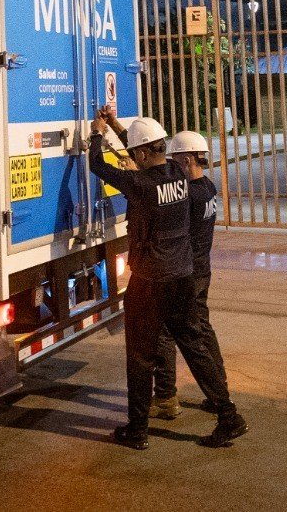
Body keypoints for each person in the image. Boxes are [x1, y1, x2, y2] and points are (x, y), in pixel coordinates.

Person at [90, 106, 246, 450]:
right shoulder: (178, 172)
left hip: (150, 280)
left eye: (137, 153)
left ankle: (138, 429)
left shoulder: (139, 183)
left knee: (140, 355)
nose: (135, 158)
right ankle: (228, 415)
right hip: (183, 275)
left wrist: (96, 133)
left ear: (144, 153)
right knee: (192, 344)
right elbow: (146, 152)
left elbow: (97, 165)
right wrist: (118, 127)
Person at [149, 131, 225, 420]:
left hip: (188, 274)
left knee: (166, 333)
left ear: (188, 158)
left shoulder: (189, 195)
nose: (171, 164)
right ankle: (219, 391)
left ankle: (166, 397)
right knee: (203, 328)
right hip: (202, 270)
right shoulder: (207, 188)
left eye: (176, 158)